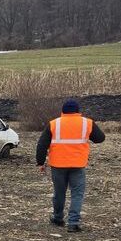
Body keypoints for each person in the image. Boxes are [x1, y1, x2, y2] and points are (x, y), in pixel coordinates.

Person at [36, 98, 105, 232]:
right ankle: (73, 223)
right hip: (78, 164)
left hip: (58, 165)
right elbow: (100, 138)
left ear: (63, 111)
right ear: (78, 111)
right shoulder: (87, 123)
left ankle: (58, 218)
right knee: (77, 194)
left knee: (59, 193)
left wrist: (40, 162)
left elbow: (42, 144)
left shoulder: (54, 123)